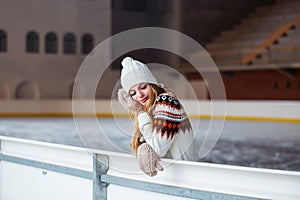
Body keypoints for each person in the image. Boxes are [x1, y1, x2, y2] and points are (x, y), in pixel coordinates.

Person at [118, 57, 198, 176]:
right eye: (133, 93)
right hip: (173, 175)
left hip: (189, 175)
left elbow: (157, 149)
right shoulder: (151, 108)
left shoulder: (168, 102)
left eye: (143, 87)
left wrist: (140, 112)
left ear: (152, 84)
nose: (139, 95)